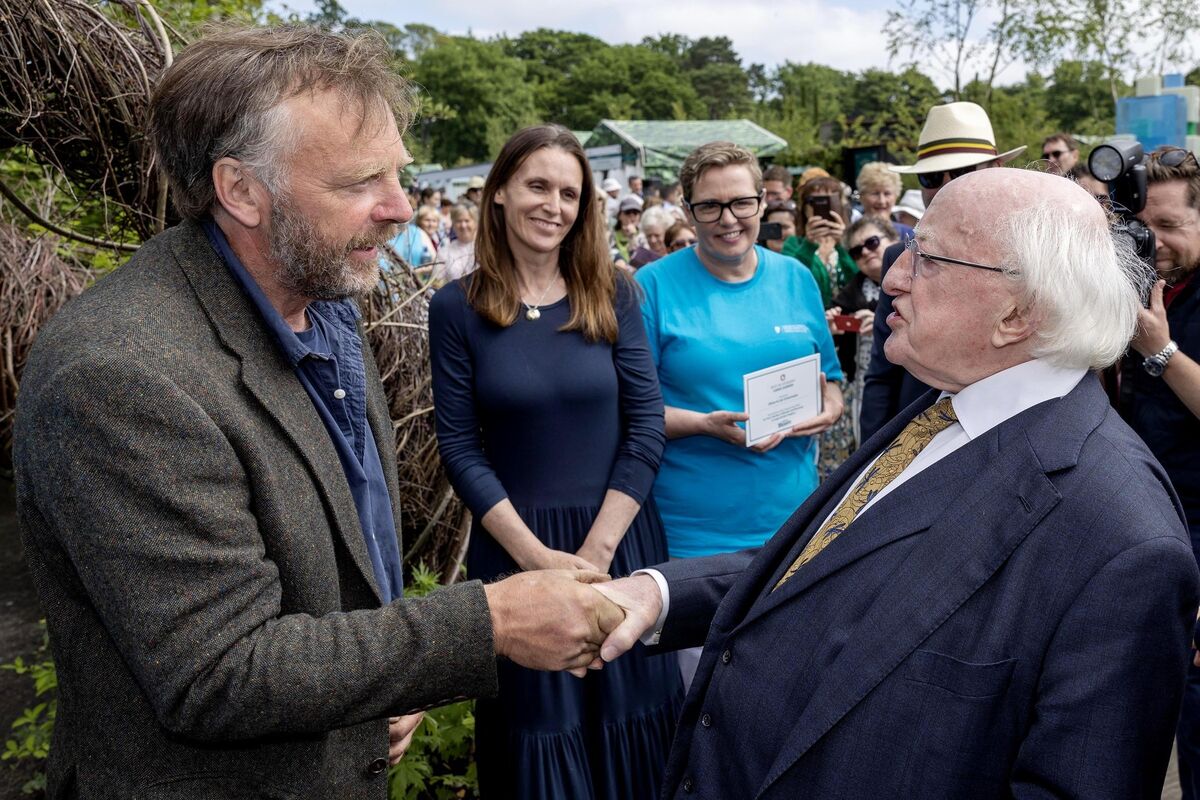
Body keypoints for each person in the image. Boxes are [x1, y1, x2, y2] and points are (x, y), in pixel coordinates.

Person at [12, 27, 624, 797]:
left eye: (397, 172)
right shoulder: (120, 377)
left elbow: (353, 556)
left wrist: (390, 681)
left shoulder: (324, 302)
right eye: (361, 181)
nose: (400, 208)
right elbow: (220, 671)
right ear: (241, 190)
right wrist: (488, 624)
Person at [595, 168, 1200, 799]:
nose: (892, 278)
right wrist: (657, 593)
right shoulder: (948, 402)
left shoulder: (1122, 540)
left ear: (1017, 314)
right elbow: (835, 557)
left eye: (928, 258)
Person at [428, 124, 682, 800]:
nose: (554, 205)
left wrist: (595, 555)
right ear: (500, 193)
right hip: (518, 556)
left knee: (634, 728)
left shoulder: (614, 293)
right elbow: (460, 447)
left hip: (619, 542)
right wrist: (540, 561)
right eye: (537, 186)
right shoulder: (456, 309)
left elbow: (646, 426)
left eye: (570, 193)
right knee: (539, 736)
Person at [634, 141, 844, 689]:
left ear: (762, 203)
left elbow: (831, 381)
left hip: (793, 522)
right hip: (694, 535)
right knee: (703, 696)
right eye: (710, 206)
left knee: (787, 689)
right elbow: (633, 412)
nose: (728, 219)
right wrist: (704, 424)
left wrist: (828, 408)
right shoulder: (652, 287)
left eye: (741, 203)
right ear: (688, 211)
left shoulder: (796, 277)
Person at [860, 101, 1026, 442]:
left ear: (996, 168)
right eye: (932, 177)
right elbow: (883, 375)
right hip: (912, 441)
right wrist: (871, 458)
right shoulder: (897, 259)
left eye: (963, 172)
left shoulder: (1030, 260)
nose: (947, 186)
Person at [1120, 146, 1200, 798]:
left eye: (1170, 226)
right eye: (1144, 226)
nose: (1156, 242)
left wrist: (1160, 350)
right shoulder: (1138, 282)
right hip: (1142, 524)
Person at [829, 216, 896, 446]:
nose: (865, 252)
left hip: (911, 385)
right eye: (856, 251)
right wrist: (832, 330)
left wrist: (882, 322)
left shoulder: (920, 278)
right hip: (867, 391)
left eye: (872, 242)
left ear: (893, 239)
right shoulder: (847, 297)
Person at [782, 176, 858, 309]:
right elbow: (791, 279)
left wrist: (842, 245)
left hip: (848, 318)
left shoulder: (854, 241)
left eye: (830, 200)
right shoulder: (793, 244)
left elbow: (860, 280)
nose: (823, 207)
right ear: (804, 208)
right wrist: (809, 245)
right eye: (815, 201)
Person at [857, 161, 913, 239]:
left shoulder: (909, 235)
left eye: (887, 194)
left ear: (896, 196)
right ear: (862, 196)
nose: (881, 201)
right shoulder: (851, 235)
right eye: (875, 193)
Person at [432, 204, 478, 284]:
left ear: (476, 222)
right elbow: (436, 283)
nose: (463, 225)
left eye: (467, 221)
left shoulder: (486, 249)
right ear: (453, 224)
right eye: (459, 221)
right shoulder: (444, 252)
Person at [612, 194, 642, 264]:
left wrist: (632, 237)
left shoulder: (643, 236)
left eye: (635, 213)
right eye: (627, 212)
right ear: (619, 215)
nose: (632, 216)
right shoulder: (611, 235)